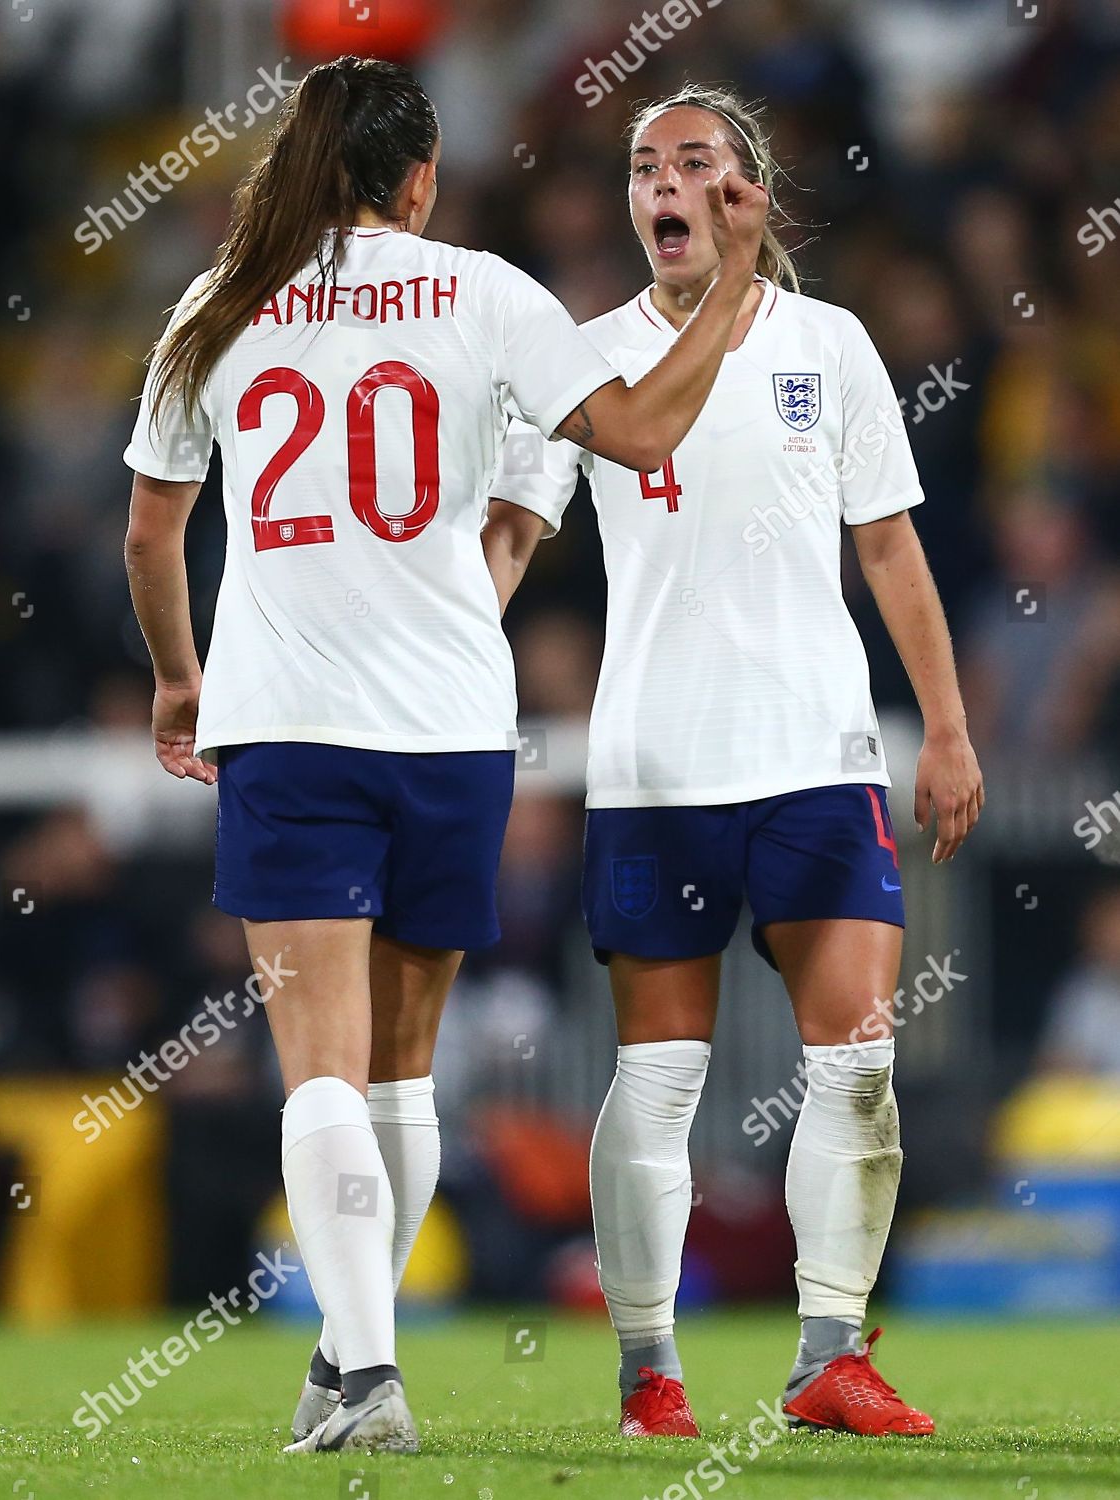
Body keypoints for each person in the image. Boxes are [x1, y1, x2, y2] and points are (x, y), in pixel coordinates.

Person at [122, 59, 768, 1454]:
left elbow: (150, 532)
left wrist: (181, 679)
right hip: (454, 730)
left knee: (322, 1076)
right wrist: (730, 283)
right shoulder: (487, 294)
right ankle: (356, 1361)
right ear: (419, 178)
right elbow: (645, 431)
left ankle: (366, 1378)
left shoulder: (217, 305)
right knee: (402, 1080)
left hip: (291, 722)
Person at [486, 83, 984, 1438]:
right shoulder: (580, 359)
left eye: (694, 160)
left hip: (816, 755)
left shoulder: (831, 343)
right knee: (658, 1080)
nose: (666, 182)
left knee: (857, 1061)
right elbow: (511, 541)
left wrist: (941, 723)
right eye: (646, 163)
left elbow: (888, 543)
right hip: (652, 766)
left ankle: (829, 1352)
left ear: (746, 185)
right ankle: (651, 1370)